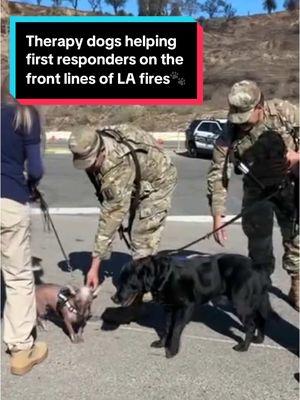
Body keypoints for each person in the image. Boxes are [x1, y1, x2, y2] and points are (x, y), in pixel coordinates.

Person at [207, 80, 299, 311]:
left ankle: (297, 285)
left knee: (296, 240)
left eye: (246, 115)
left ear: (260, 106)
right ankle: (260, 286)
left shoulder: (284, 113)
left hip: (290, 186)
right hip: (257, 192)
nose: (242, 123)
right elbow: (218, 174)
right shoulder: (229, 133)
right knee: (258, 246)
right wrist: (218, 215)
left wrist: (297, 157)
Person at [68, 125, 177, 290]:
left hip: (159, 181)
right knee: (128, 223)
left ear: (102, 151)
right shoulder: (95, 141)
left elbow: (111, 215)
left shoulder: (116, 165)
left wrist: (94, 267)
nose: (88, 168)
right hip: (139, 174)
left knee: (142, 239)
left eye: (90, 163)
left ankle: (140, 295)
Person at [1, 76, 48, 375]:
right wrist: (30, 185)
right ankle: (20, 350)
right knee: (17, 276)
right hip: (10, 200)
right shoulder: (27, 117)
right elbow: (37, 169)